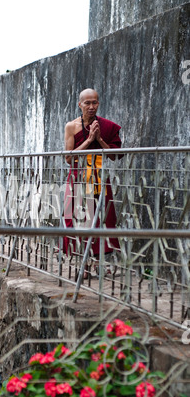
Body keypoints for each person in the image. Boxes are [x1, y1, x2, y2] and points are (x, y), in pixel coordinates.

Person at [63, 88, 122, 275]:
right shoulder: (71, 127)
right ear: (79, 104)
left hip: (98, 179)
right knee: (77, 219)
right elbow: (68, 158)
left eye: (94, 102)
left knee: (101, 219)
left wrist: (99, 140)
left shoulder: (107, 126)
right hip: (78, 178)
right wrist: (89, 141)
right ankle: (83, 262)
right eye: (87, 103)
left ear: (98, 103)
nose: (91, 107)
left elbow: (115, 155)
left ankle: (98, 262)